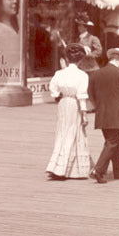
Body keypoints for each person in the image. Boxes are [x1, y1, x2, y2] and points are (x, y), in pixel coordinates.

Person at [87, 47, 119, 183]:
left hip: (102, 114)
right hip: (117, 115)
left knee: (113, 141)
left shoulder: (96, 74)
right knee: (112, 142)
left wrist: (99, 107)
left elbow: (91, 94)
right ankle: (98, 170)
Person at [45, 43, 92, 180]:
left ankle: (63, 167)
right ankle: (61, 168)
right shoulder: (82, 75)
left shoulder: (59, 73)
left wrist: (59, 98)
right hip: (74, 103)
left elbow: (53, 89)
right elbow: (82, 95)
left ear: (67, 58)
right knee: (73, 132)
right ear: (80, 60)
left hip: (63, 102)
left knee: (62, 132)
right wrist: (84, 113)